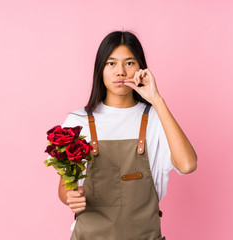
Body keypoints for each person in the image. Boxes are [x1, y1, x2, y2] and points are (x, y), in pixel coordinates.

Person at [58, 30, 197, 240]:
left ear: (141, 68)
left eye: (129, 63)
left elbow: (187, 165)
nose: (120, 71)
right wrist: (70, 197)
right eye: (111, 63)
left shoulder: (157, 120)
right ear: (100, 69)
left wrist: (156, 100)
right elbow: (64, 187)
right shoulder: (76, 122)